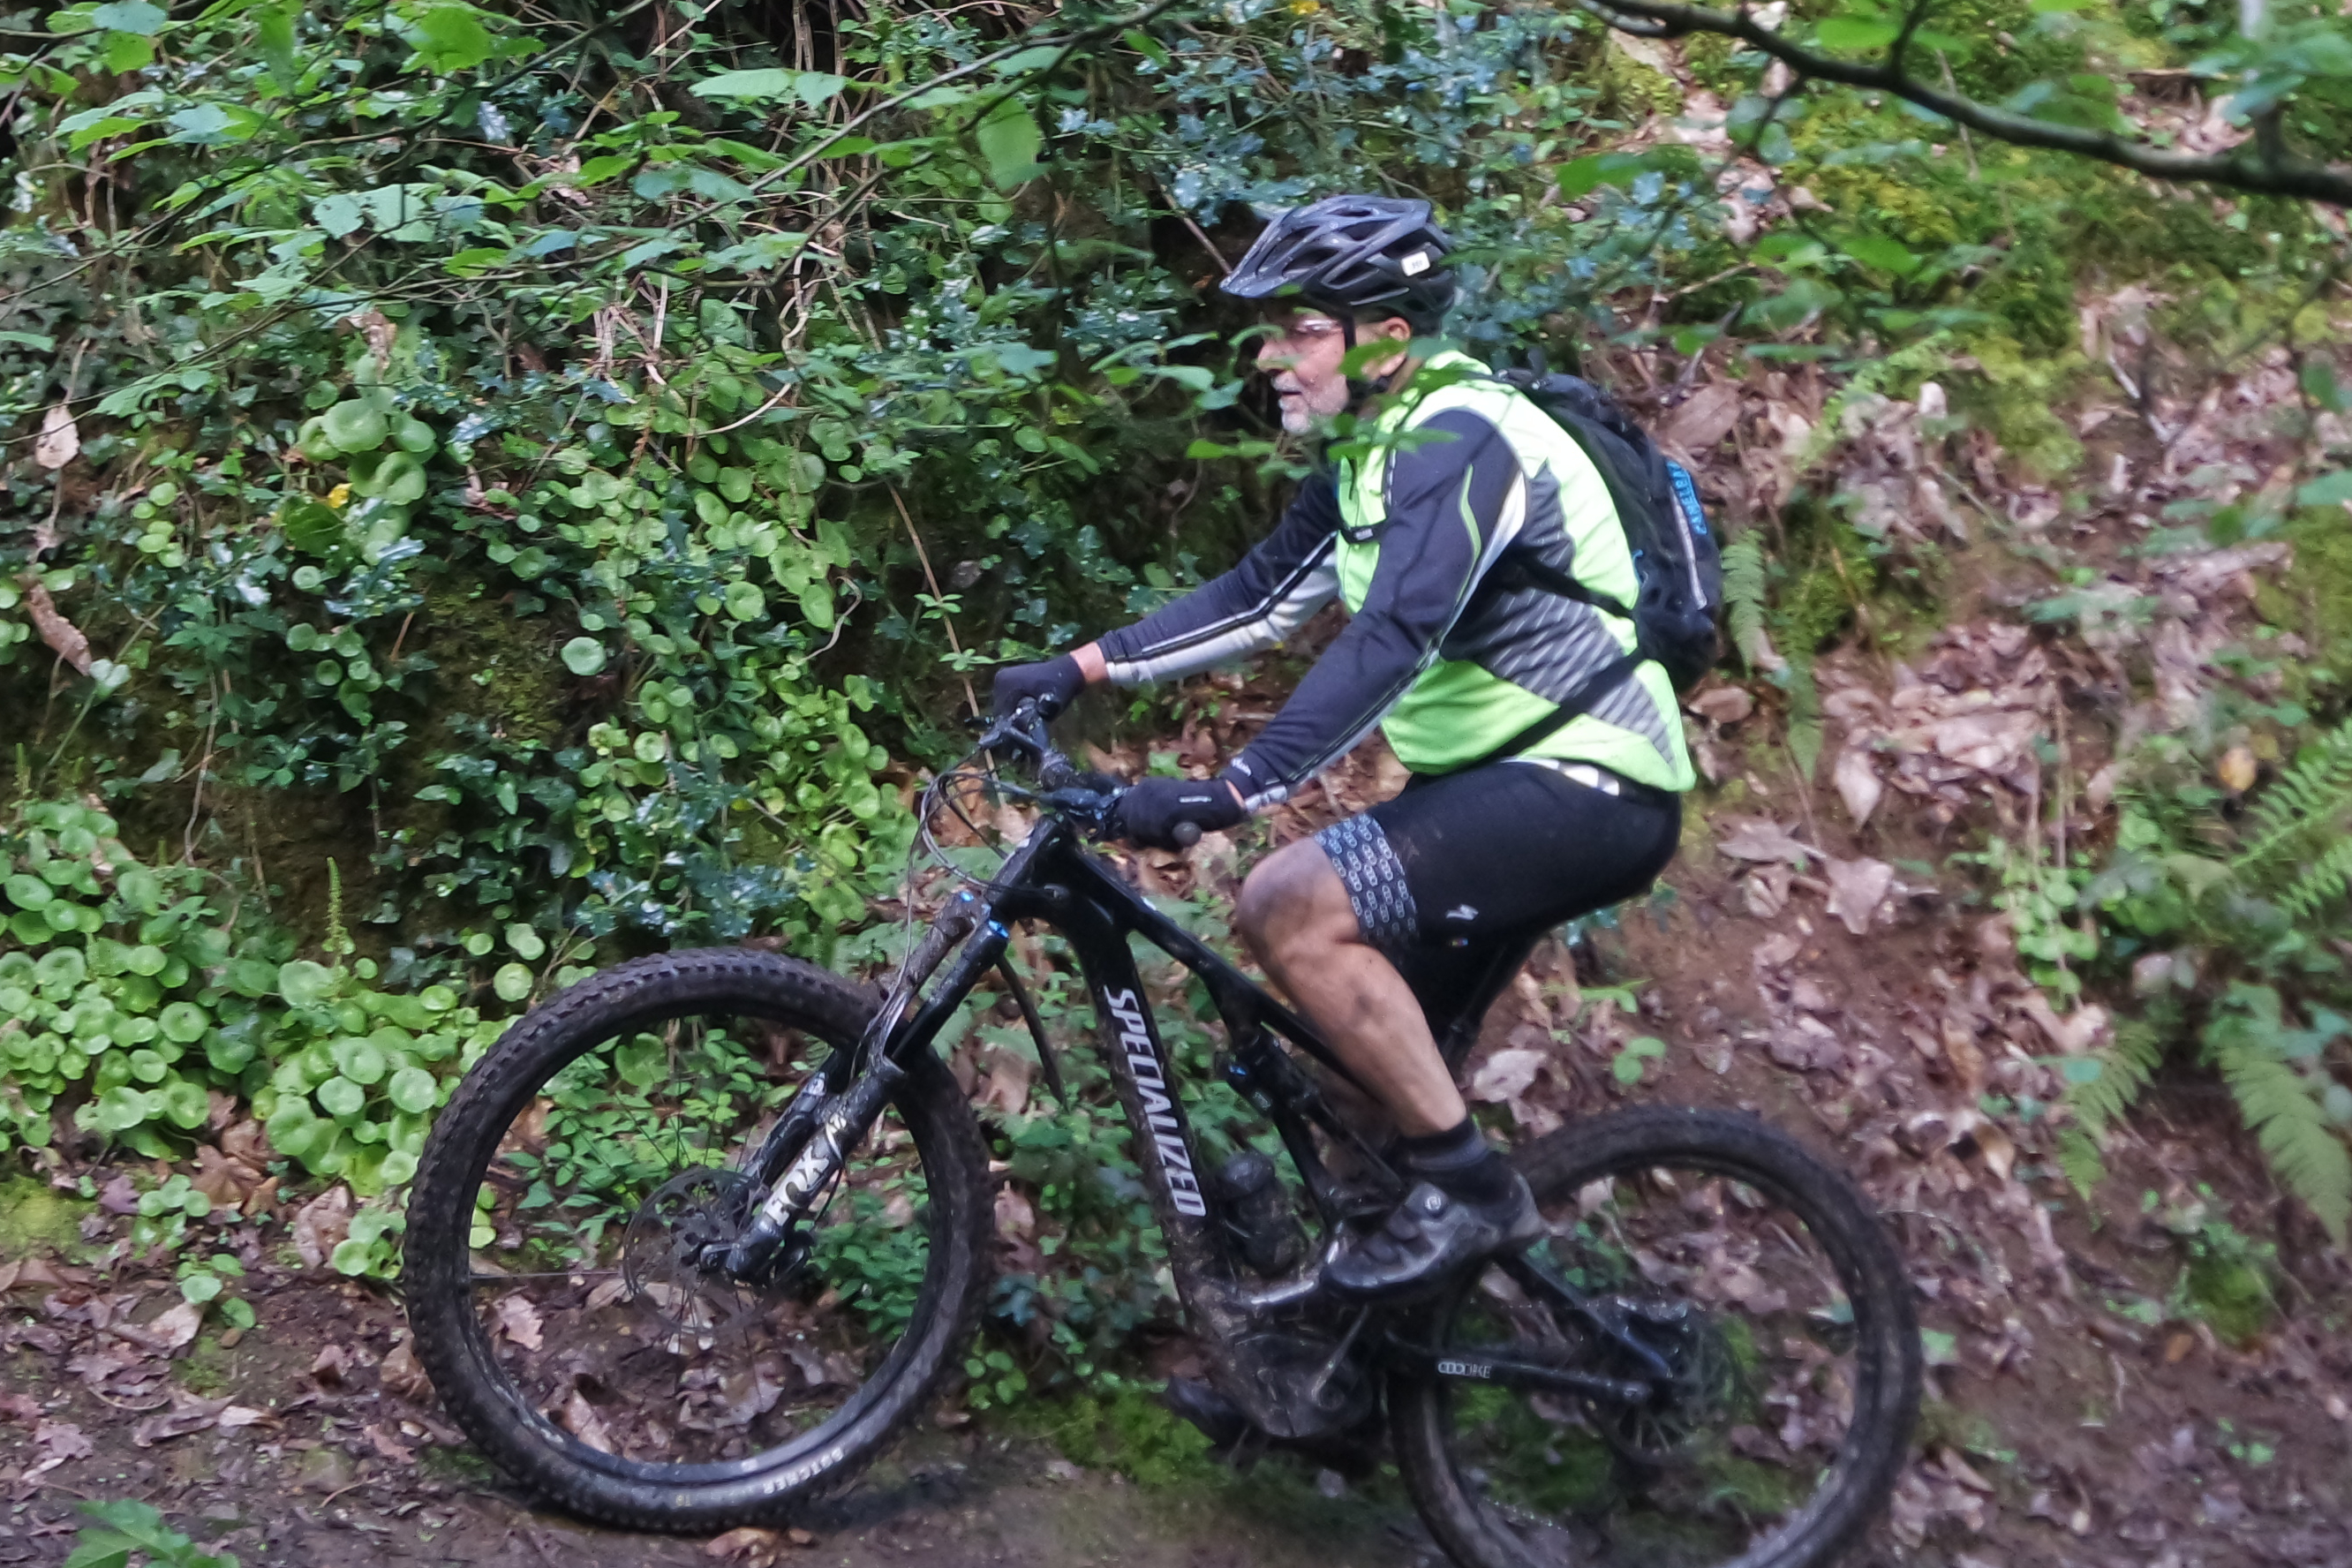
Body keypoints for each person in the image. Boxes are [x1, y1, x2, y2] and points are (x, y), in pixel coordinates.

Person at [991, 194, 1694, 1301]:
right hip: (1495, 788)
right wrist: (1076, 669)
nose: (1271, 356)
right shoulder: (1372, 453)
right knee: (1363, 1097)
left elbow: (1395, 635)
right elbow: (1260, 597)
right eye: (1274, 331)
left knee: (1288, 905)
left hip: (1589, 784)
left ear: (1387, 340)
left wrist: (1236, 789)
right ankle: (1347, 1369)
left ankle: (1475, 1194)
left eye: (1304, 330)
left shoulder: (1461, 440)